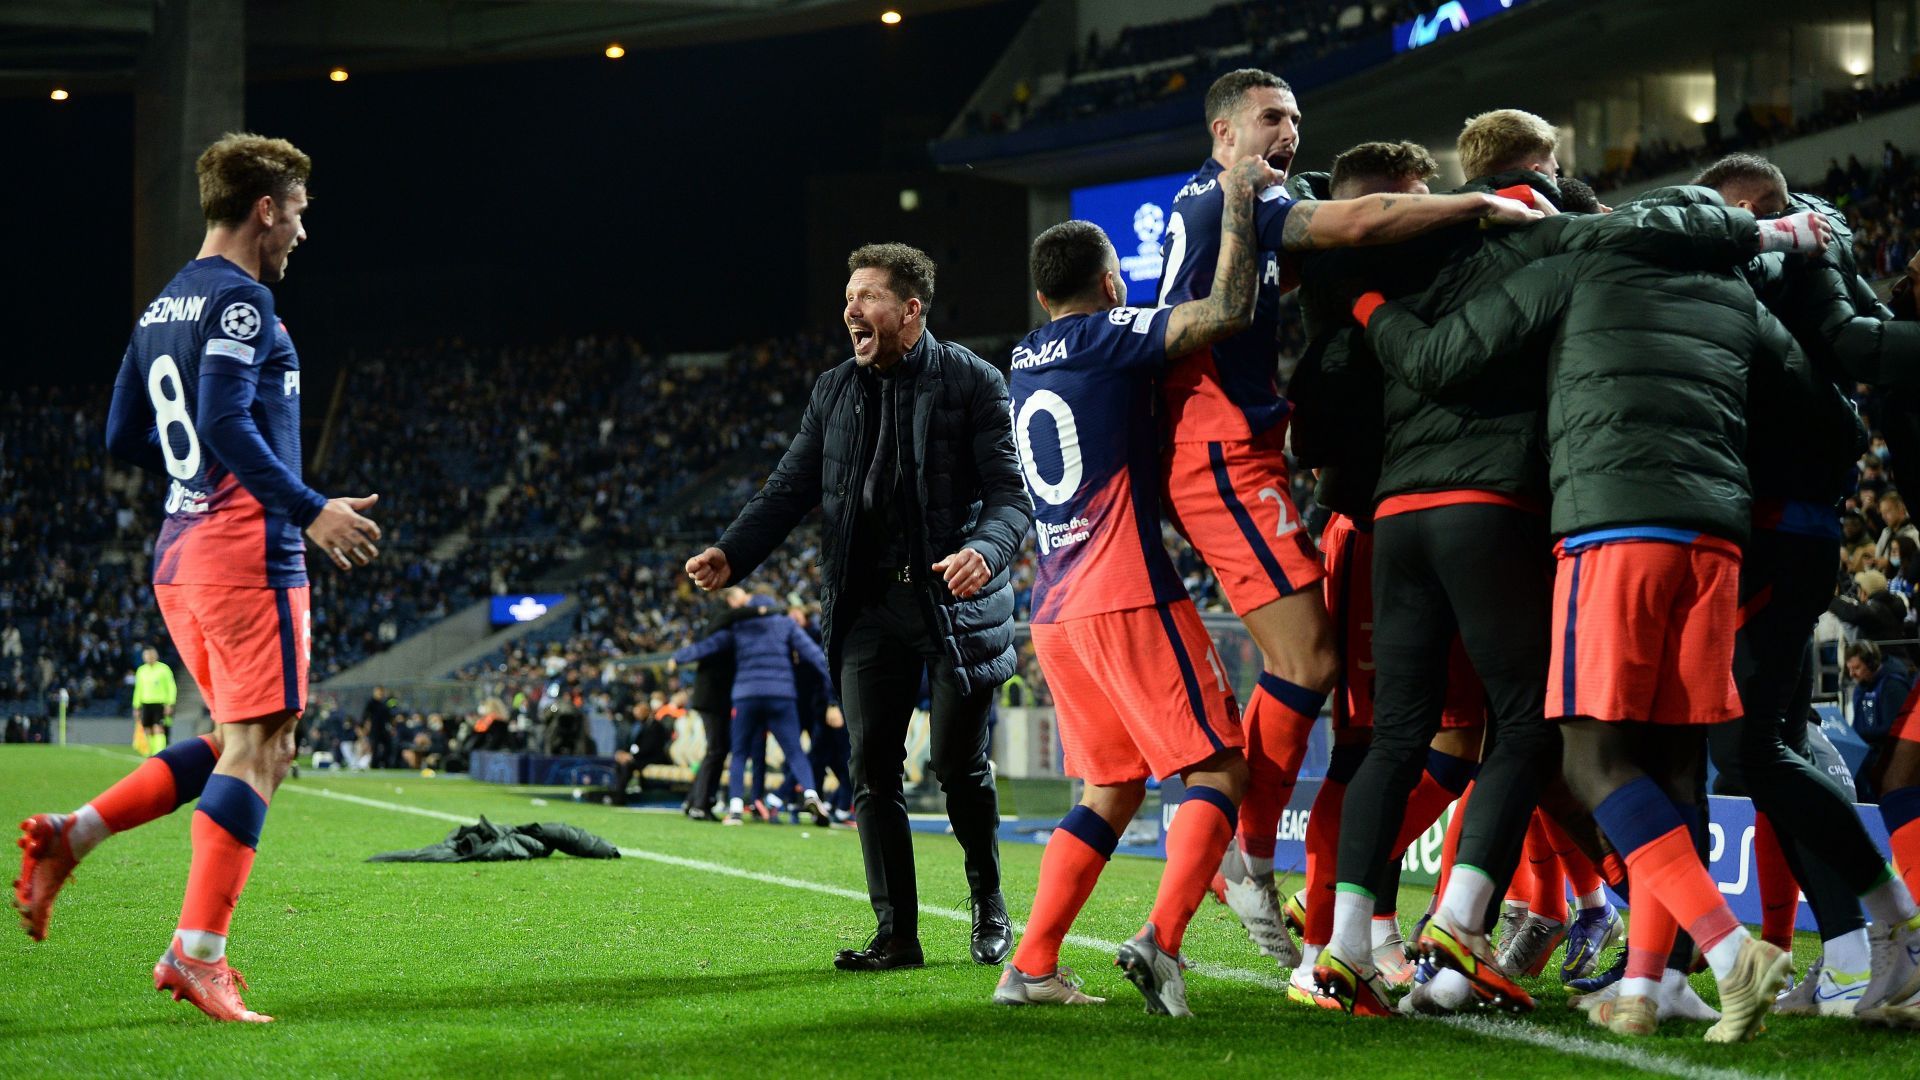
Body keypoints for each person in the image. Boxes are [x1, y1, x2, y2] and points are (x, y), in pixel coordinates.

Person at [1353, 183, 1854, 1040]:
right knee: (1673, 765)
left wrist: (1366, 306)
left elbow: (1442, 358)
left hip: (1611, 528)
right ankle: (1649, 987)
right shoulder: (1736, 290)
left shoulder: (1581, 262)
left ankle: (1731, 954)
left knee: (1587, 759)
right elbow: (1823, 415)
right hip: (1718, 542)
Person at [1155, 70, 1544, 963]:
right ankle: (1252, 858)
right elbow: (1357, 223)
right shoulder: (1243, 190)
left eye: (1296, 116)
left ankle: (1317, 895)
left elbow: (1292, 269)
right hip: (1219, 443)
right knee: (1317, 666)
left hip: (1223, 442)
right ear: (1223, 132)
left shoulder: (1208, 197)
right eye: (1269, 118)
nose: (1289, 133)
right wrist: (1477, 204)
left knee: (1346, 687)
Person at [13, 133, 381, 1023]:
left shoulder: (161, 308)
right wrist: (304, 507)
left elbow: (120, 436)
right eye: (296, 214)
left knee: (233, 743)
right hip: (247, 555)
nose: (300, 232)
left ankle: (74, 834)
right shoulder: (244, 304)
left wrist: (197, 486)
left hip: (183, 555)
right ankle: (195, 954)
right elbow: (221, 416)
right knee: (268, 749)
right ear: (265, 209)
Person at [685, 243, 1032, 972]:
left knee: (956, 764)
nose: (851, 310)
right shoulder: (834, 389)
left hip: (954, 604)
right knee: (871, 768)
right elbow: (788, 488)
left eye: (867, 296)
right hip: (867, 605)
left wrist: (987, 551)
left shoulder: (973, 381)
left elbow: (1010, 494)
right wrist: (732, 553)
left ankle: (989, 901)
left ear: (910, 311)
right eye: (848, 295)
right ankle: (897, 933)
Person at [995, 155, 1274, 1014]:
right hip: (1123, 590)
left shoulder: (1021, 358)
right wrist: (1237, 197)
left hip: (1054, 607)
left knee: (1110, 790)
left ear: (1044, 296)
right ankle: (1162, 941)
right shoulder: (1111, 337)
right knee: (1221, 769)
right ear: (1110, 279)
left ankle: (1030, 967)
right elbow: (1229, 310)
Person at [1694, 151, 1920, 1018]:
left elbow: (1862, 344)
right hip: (1778, 525)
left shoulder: (1790, 261)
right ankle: (1859, 952)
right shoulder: (1792, 261)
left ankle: (1882, 928)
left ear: (1749, 209)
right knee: (1770, 745)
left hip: (1778, 529)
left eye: (1712, 215)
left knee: (1745, 748)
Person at [671, 594, 836, 826]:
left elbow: (709, 646)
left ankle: (736, 808)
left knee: (739, 752)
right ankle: (810, 793)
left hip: (746, 695)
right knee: (795, 751)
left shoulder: (740, 626)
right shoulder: (786, 623)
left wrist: (679, 657)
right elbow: (814, 655)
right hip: (781, 694)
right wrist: (834, 685)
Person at [681, 588, 764, 820]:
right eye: (741, 597)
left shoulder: (723, 623)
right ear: (729, 600)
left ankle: (694, 800)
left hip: (716, 697)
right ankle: (700, 804)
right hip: (711, 697)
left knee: (718, 749)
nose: (746, 600)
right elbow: (726, 619)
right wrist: (759, 609)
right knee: (716, 749)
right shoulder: (720, 618)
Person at [132, 646, 178, 753]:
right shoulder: (141, 670)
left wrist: (170, 703)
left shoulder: (164, 669)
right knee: (147, 729)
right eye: (147, 655)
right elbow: (138, 689)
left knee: (158, 727)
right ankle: (151, 752)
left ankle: (160, 752)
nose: (149, 657)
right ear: (143, 657)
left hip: (160, 703)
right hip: (146, 703)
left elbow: (171, 687)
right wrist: (136, 706)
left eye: (151, 654)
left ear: (156, 655)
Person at [362, 685, 395, 770]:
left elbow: (388, 716)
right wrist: (366, 726)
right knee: (375, 748)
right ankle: (374, 765)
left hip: (383, 729)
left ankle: (385, 763)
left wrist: (391, 726)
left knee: (388, 746)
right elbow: (365, 716)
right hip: (374, 729)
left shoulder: (384, 704)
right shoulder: (371, 702)